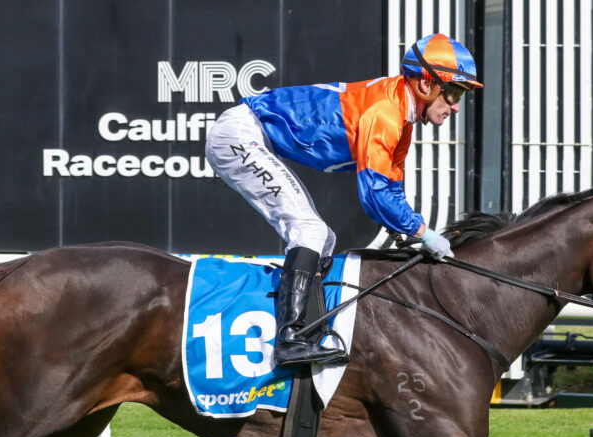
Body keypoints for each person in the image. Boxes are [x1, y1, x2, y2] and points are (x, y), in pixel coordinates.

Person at [205, 33, 482, 367]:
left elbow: (391, 192)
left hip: (253, 136)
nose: (455, 105)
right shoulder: (386, 114)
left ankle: (306, 332)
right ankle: (288, 340)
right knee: (309, 232)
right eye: (452, 92)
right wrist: (423, 233)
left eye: (460, 96)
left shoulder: (402, 121)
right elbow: (374, 195)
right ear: (425, 86)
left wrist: (413, 234)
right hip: (239, 136)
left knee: (324, 239)